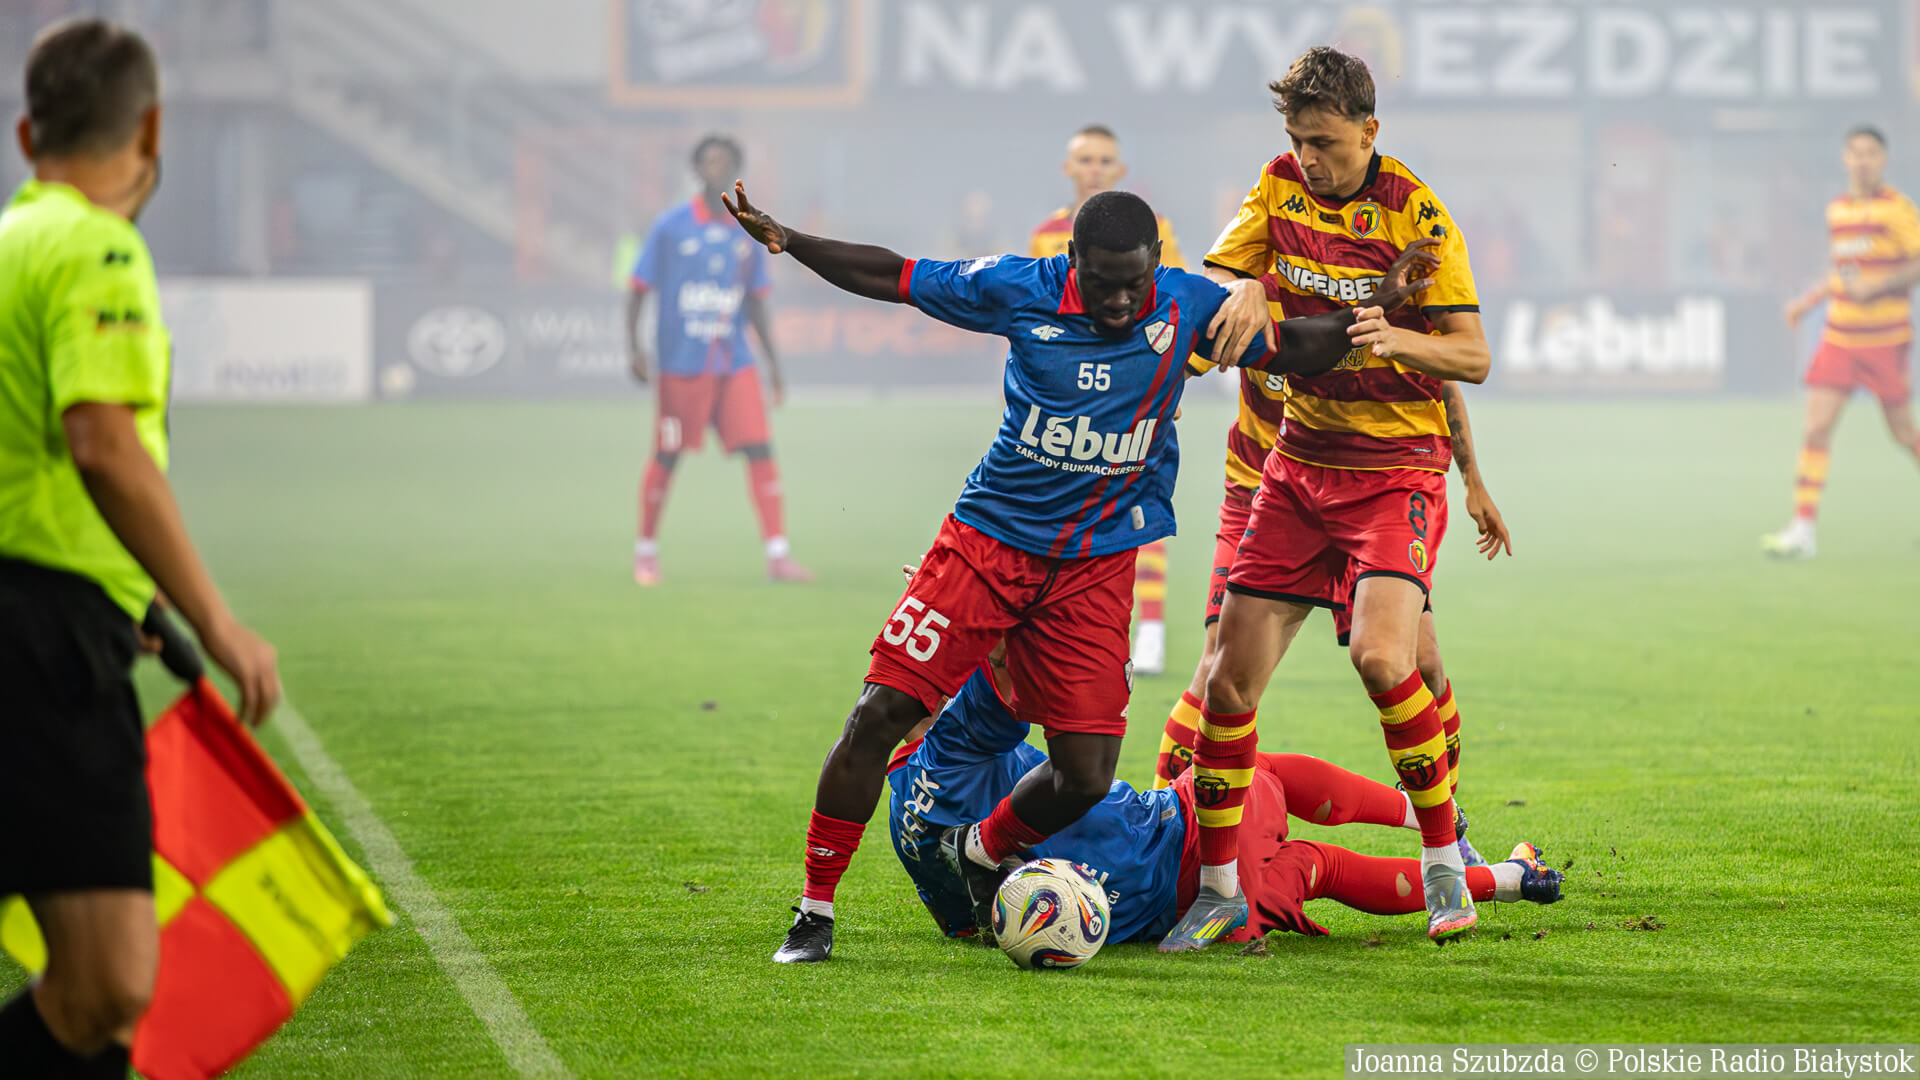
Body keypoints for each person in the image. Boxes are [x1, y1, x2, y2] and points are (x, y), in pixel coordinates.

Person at [722, 181, 1392, 963]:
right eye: (1102, 283)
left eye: (1134, 283)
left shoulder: (1186, 305)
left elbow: (1298, 347)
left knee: (1086, 774)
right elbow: (896, 276)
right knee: (879, 714)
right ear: (1074, 261)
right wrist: (792, 240)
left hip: (1095, 568)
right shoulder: (1020, 287)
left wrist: (1376, 307)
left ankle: (982, 849)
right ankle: (813, 913)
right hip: (987, 545)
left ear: (1156, 264)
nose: (1120, 301)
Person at [1162, 46, 1494, 950]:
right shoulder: (1276, 187)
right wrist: (1240, 287)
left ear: (1369, 131)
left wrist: (1397, 338)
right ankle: (1219, 891)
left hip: (1393, 471)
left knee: (1387, 660)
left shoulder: (1417, 213)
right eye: (1299, 140)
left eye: (1326, 143)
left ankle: (1444, 863)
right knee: (1226, 681)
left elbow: (1472, 356)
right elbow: (1216, 279)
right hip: (1296, 467)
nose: (1309, 158)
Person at [0, 18, 281, 1077]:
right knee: (107, 985)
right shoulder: (96, 245)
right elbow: (103, 446)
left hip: (57, 614)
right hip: (44, 642)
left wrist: (142, 605)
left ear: (27, 131)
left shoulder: (11, 240)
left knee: (98, 987)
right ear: (152, 130)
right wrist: (216, 618)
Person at [1149, 276, 1512, 856]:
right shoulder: (1243, 298)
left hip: (1367, 487)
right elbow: (1167, 360)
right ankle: (1164, 830)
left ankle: (1447, 830)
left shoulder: (1358, 289)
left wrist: (1472, 479)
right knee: (1218, 668)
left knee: (1420, 663)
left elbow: (1436, 377)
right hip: (1262, 493)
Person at [886, 655, 1562, 947]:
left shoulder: (906, 816)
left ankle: (1509, 879)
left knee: (1316, 868)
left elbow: (966, 926)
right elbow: (1013, 670)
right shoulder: (957, 744)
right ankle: (1426, 813)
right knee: (1256, 769)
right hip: (1188, 837)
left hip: (1175, 919)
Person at [1030, 123, 1189, 676]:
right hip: (1068, 404)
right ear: (1068, 169)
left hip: (1133, 397)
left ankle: (1151, 631)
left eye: (1104, 160)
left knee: (1137, 507)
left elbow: (1177, 309)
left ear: (1119, 171)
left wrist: (1165, 380)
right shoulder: (1046, 236)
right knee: (1061, 513)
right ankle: (1062, 630)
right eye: (1085, 160)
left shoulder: (1156, 230)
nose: (1094, 169)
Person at [626, 134, 808, 585]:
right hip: (681, 364)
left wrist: (774, 366)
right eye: (709, 161)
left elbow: (756, 302)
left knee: (760, 448)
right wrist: (635, 349)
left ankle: (778, 556)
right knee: (668, 454)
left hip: (734, 361)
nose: (716, 168)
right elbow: (638, 289)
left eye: (725, 162)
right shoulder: (670, 226)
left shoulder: (747, 231)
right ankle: (646, 553)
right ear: (696, 169)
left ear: (735, 169)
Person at [1764, 125, 1920, 559]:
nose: (1863, 161)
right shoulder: (1838, 211)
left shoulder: (1897, 210)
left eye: (1871, 153)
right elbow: (1841, 271)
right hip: (1840, 337)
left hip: (1885, 339)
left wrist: (1877, 286)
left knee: (1903, 433)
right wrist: (1808, 302)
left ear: (1883, 160)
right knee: (1816, 428)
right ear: (1844, 159)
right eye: (1855, 153)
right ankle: (1803, 530)